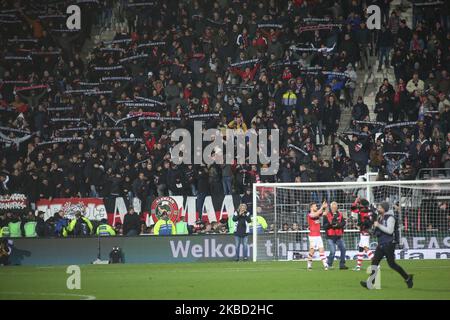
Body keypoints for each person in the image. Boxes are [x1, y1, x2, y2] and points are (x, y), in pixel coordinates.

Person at [361, 202, 413, 289]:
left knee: (392, 264)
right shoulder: (380, 217)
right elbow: (378, 230)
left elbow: (389, 231)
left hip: (389, 244)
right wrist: (373, 230)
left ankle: (408, 278)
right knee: (374, 262)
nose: (378, 209)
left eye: (380, 207)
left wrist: (378, 225)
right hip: (381, 244)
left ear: (384, 209)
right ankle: (370, 283)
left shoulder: (390, 218)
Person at [323, 202, 348, 270]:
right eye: (333, 207)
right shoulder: (326, 214)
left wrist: (338, 225)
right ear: (331, 207)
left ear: (337, 207)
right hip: (330, 236)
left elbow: (343, 223)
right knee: (333, 251)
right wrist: (330, 224)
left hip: (338, 236)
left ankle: (342, 264)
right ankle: (329, 264)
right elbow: (324, 226)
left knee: (343, 249)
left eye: (335, 207)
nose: (334, 208)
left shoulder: (340, 214)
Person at [352, 197, 375, 271]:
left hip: (365, 231)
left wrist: (355, 201)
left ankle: (376, 264)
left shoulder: (362, 212)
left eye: (360, 204)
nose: (359, 205)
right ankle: (358, 266)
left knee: (365, 248)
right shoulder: (369, 211)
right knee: (361, 248)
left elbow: (353, 209)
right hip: (365, 231)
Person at [307, 201, 329, 270]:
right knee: (312, 251)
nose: (316, 207)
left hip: (318, 235)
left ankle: (325, 265)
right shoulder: (310, 215)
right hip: (312, 236)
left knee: (321, 250)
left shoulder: (317, 214)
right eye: (315, 206)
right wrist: (322, 207)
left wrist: (326, 207)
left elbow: (326, 213)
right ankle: (309, 264)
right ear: (311, 207)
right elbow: (315, 214)